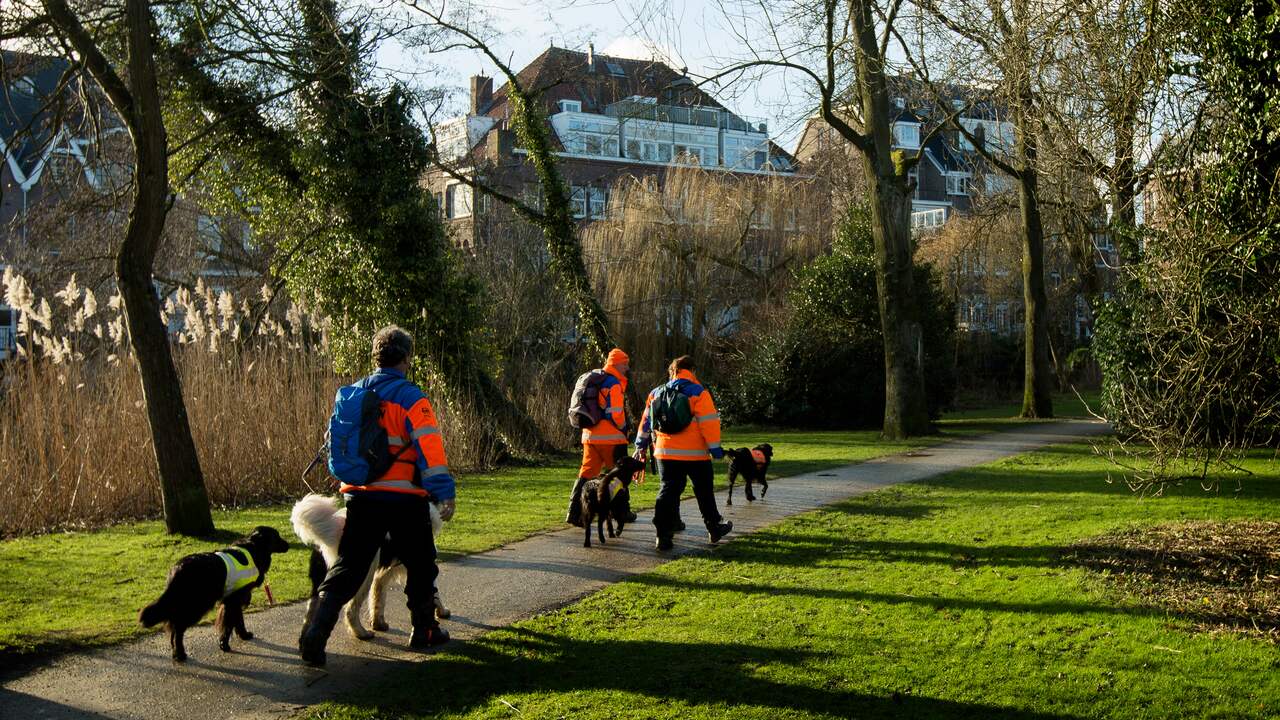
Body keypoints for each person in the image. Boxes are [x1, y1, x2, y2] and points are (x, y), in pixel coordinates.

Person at [299, 326, 456, 667]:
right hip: (404, 498)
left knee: (349, 567)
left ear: (377, 357)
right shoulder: (412, 398)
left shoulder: (352, 394)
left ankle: (316, 635)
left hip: (360, 497)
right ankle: (424, 630)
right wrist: (445, 494)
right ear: (405, 358)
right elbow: (430, 449)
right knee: (420, 563)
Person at [635, 355, 732, 551]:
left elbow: (646, 422)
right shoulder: (698, 392)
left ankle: (662, 535)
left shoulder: (656, 392)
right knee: (704, 490)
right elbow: (709, 423)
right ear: (692, 371)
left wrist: (640, 445)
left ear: (672, 371)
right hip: (694, 453)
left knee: (668, 491)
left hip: (664, 452)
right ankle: (714, 527)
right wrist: (715, 449)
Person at [567, 348, 633, 527]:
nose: (627, 367)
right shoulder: (614, 384)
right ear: (617, 363)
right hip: (611, 438)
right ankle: (622, 512)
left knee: (586, 474)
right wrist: (624, 428)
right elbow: (616, 413)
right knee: (619, 475)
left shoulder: (597, 380)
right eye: (625, 363)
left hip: (589, 436)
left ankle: (574, 513)